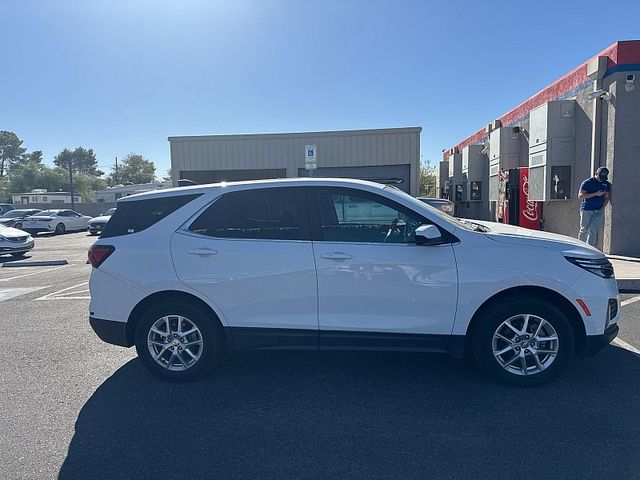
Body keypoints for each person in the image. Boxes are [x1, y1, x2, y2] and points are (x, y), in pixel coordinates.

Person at [578, 166, 611, 246]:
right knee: (584, 229)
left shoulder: (606, 184)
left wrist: (602, 207)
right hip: (587, 209)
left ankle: (589, 248)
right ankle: (580, 247)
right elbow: (580, 196)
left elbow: (606, 197)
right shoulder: (587, 182)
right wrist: (596, 194)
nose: (601, 179)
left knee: (593, 230)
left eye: (603, 178)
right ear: (596, 174)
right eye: (600, 177)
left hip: (598, 210)